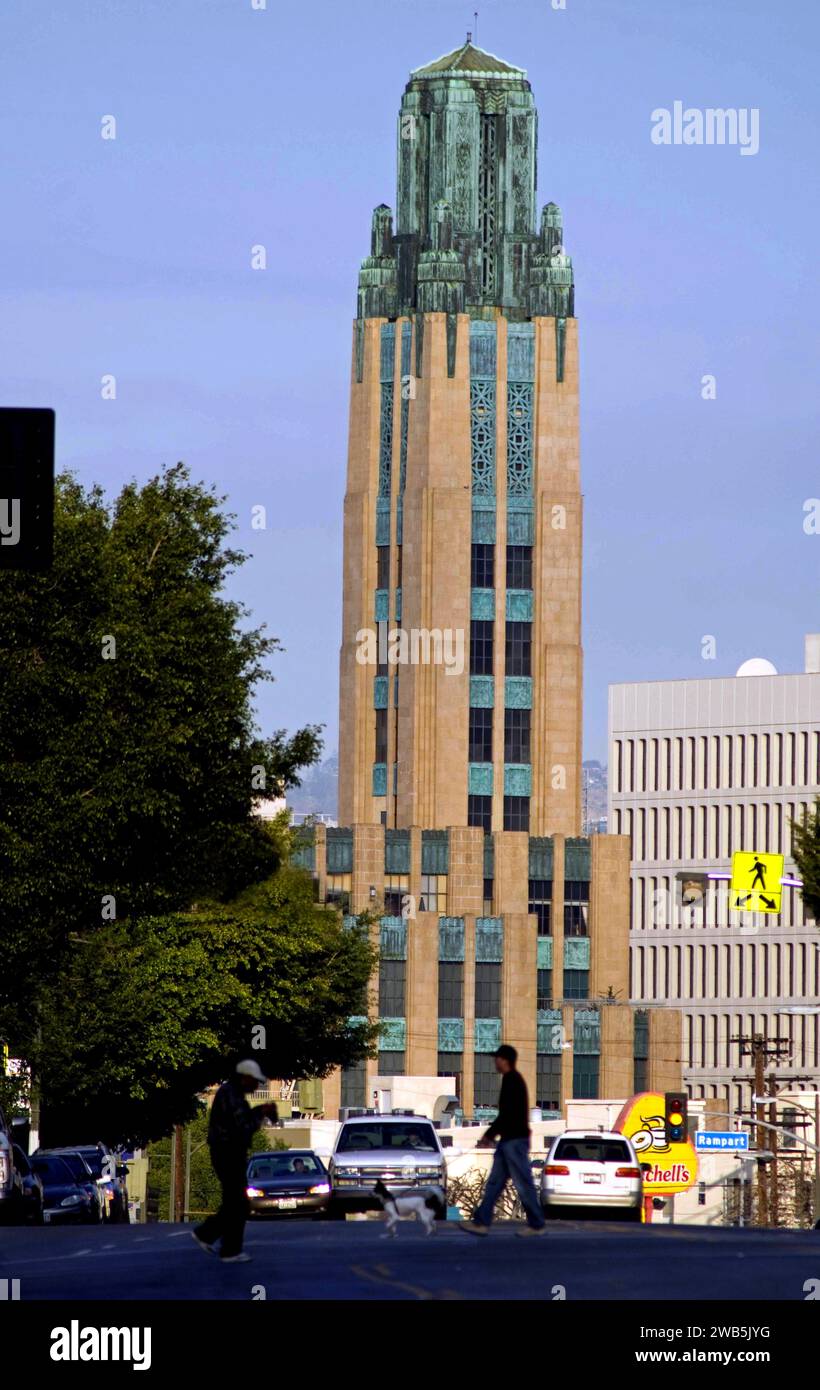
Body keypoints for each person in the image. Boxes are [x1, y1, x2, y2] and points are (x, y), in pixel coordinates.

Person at [192, 1059, 278, 1263]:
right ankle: (224, 1246)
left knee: (236, 1202)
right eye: (254, 1081)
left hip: (229, 1153)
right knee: (237, 1202)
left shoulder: (232, 1094)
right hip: (227, 1153)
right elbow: (244, 1126)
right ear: (245, 1078)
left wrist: (260, 1111)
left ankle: (215, 1238)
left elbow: (243, 1120)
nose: (257, 1086)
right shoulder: (230, 1094)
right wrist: (262, 1113)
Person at [459, 1044, 547, 1238]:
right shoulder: (510, 1080)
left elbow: (507, 1115)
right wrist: (492, 1135)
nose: (495, 1062)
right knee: (495, 1182)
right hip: (508, 1140)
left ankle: (537, 1224)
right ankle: (482, 1222)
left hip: (514, 1141)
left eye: (497, 1058)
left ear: (504, 1060)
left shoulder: (513, 1081)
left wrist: (489, 1135)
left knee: (523, 1183)